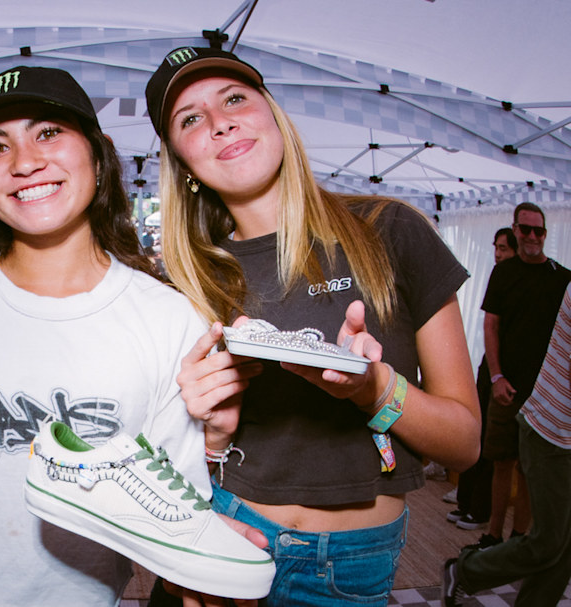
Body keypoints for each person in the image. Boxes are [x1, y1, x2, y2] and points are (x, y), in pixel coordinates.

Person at [0, 66, 269, 607]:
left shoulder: (169, 318)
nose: (24, 161)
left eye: (49, 133)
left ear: (98, 158)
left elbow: (169, 502)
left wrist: (204, 564)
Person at [144, 46, 480, 605]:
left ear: (274, 115)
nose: (220, 122)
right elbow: (160, 458)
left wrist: (374, 388)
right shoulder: (188, 280)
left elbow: (464, 445)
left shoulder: (390, 231)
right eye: (191, 119)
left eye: (234, 99)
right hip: (224, 532)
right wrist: (209, 441)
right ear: (182, 164)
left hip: (349, 566)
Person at [443, 282, 571, 606]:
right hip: (551, 432)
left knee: (564, 545)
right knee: (548, 541)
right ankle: (465, 571)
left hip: (564, 436)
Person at [478, 203, 570, 548]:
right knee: (502, 462)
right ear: (515, 230)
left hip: (545, 394)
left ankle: (519, 538)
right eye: (526, 229)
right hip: (507, 386)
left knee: (531, 468)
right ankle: (493, 535)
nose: (533, 236)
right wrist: (497, 376)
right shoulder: (503, 273)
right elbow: (491, 325)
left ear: (545, 234)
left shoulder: (562, 278)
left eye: (539, 230)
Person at [446, 227, 517, 530]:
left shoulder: (517, 280)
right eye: (496, 247)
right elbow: (489, 326)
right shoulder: (498, 277)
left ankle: (479, 509)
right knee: (477, 431)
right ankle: (466, 501)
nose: (498, 254)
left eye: (504, 248)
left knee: (493, 446)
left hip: (507, 372)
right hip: (490, 367)